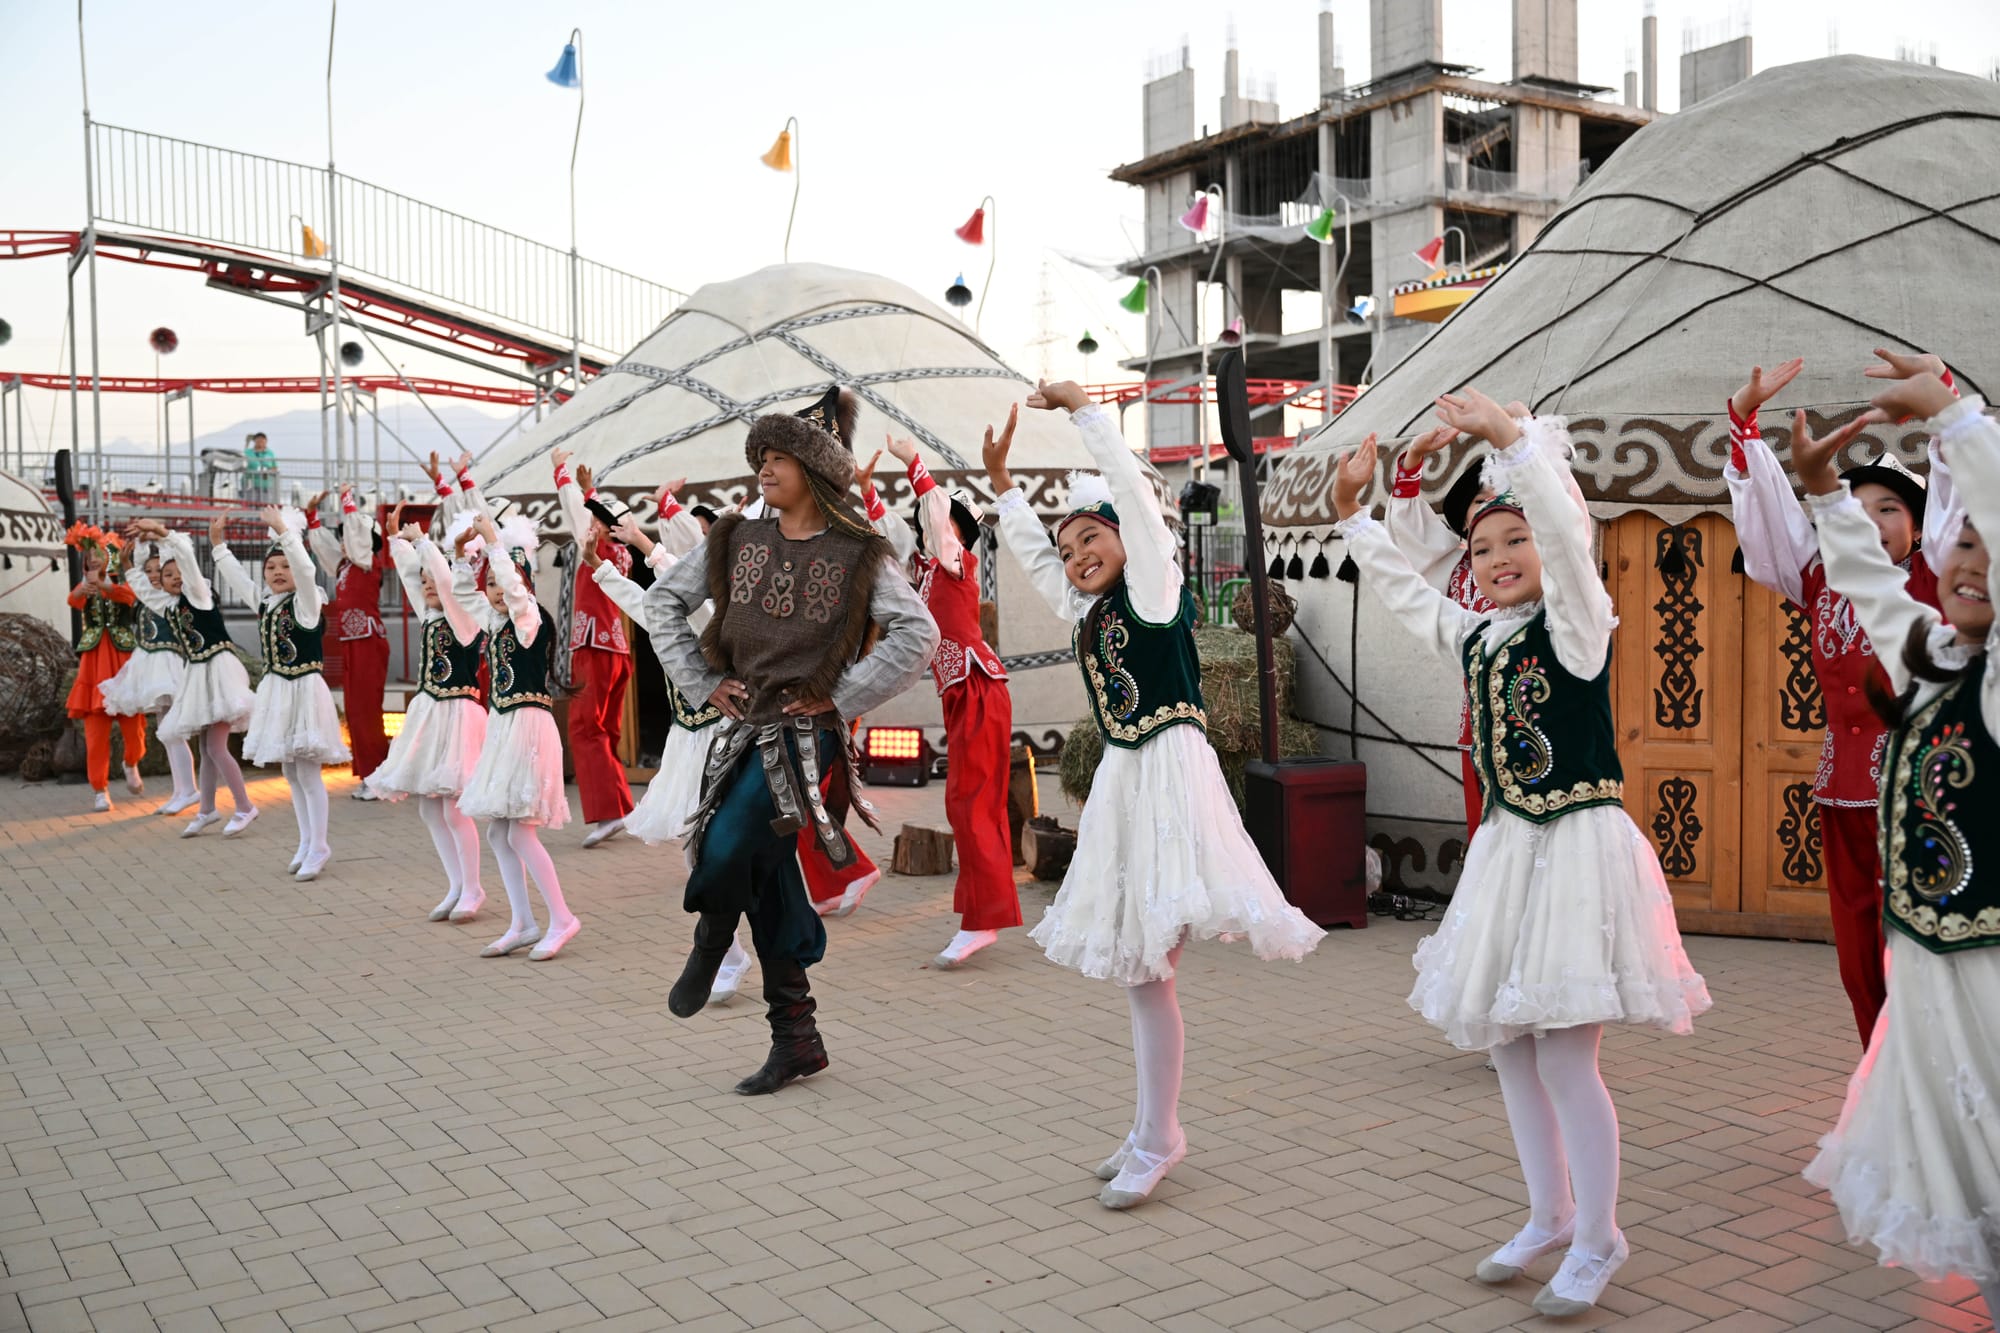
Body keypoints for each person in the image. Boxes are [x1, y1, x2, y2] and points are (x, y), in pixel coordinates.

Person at [1332, 390, 1712, 1315]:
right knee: (1509, 1047)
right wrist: (1352, 518)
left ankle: (1600, 1234)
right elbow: (1406, 596)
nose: (1499, 557)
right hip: (1509, 852)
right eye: (1482, 548)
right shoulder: (1481, 637)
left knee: (1567, 1057)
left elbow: (1572, 546)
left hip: (1577, 853)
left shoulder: (1578, 628)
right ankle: (1550, 1213)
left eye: (1517, 539)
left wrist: (1512, 442)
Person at [989, 380, 1325, 1209]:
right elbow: (1043, 568)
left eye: (1091, 538)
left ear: (1126, 537)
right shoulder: (1092, 611)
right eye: (1069, 547)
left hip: (1170, 779)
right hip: (1126, 780)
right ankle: (1151, 1127)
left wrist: (1085, 414)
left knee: (1152, 964)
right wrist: (1004, 492)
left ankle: (1160, 1133)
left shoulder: (1153, 590)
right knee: (1141, 970)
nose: (1077, 556)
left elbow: (1138, 508)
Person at [642, 386, 939, 1095]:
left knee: (725, 849)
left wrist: (841, 694)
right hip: (741, 727)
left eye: (779, 457)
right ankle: (797, 1039)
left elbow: (919, 632)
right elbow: (661, 602)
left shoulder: (860, 552)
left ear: (816, 469)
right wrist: (703, 680)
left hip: (806, 737)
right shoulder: (734, 538)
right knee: (765, 872)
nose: (765, 468)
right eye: (762, 457)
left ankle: (710, 938)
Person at [1795, 370, 2000, 1320]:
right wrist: (1822, 493)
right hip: (1931, 980)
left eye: (1990, 544)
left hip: (1992, 975)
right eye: (1962, 542)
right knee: (1970, 1191)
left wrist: (1956, 418)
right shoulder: (1931, 661)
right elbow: (1870, 584)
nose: (1970, 561)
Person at [1726, 351, 1962, 1047]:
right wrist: (1743, 422)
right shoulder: (1817, 578)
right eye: (1854, 509)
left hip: (1927, 792)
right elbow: (1771, 521)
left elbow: (1962, 495)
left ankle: (1940, 1076)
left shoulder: (1939, 575)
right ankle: (1880, 1071)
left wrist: (1943, 399)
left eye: (1889, 508)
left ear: (1919, 524)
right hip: (1844, 792)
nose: (1871, 521)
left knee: (1927, 941)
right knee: (1859, 949)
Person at [1383, 420, 1591, 841]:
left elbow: (1566, 523)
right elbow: (1407, 540)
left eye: (1502, 498)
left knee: (1550, 832)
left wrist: (1527, 435)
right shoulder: (1453, 568)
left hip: (1548, 715)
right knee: (1488, 831)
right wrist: (1413, 459)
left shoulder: (1544, 564)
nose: (1491, 509)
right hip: (1482, 720)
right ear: (1464, 522)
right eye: (1480, 501)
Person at [862, 429, 1023, 968]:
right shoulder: (927, 571)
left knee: (973, 804)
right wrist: (867, 492)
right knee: (964, 803)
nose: (930, 527)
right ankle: (982, 915)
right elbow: (890, 539)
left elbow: (935, 521)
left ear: (957, 532)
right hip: (962, 694)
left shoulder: (957, 563)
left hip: (978, 688)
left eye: (942, 522)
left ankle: (983, 921)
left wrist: (915, 463)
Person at [446, 512, 582, 961]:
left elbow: (515, 591)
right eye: (490, 585)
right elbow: (463, 594)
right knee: (498, 835)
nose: (497, 591)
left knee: (521, 834)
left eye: (505, 584)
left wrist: (494, 544)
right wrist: (460, 555)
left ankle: (562, 918)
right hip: (504, 726)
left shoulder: (529, 620)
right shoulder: (496, 622)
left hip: (529, 728)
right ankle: (523, 923)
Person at [212, 507, 350, 881]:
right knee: (290, 771)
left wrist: (285, 533)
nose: (277, 572)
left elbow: (306, 571)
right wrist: (219, 548)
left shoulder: (306, 604)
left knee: (307, 771)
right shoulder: (266, 603)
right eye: (271, 567)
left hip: (303, 690)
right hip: (276, 690)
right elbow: (239, 580)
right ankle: (306, 841)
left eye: (284, 566)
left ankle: (319, 845)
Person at [368, 500, 490, 924]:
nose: (427, 586)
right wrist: (398, 543)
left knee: (453, 808)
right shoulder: (430, 616)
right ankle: (455, 884)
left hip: (458, 715)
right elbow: (410, 575)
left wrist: (423, 543)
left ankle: (473, 887)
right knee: (428, 808)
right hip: (429, 713)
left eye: (433, 580)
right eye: (424, 582)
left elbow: (444, 579)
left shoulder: (464, 619)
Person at [126, 517, 257, 838]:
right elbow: (143, 590)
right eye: (168, 575)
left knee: (216, 749)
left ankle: (244, 806)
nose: (175, 578)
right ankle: (207, 810)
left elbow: (185, 555)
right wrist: (132, 562)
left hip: (220, 674)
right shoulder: (169, 606)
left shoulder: (199, 595)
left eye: (179, 573)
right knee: (207, 749)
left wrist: (163, 534)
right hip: (198, 675)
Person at [551, 449, 637, 847]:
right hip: (615, 648)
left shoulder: (596, 547)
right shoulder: (621, 552)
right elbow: (591, 514)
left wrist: (561, 473)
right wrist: (590, 490)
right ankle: (620, 806)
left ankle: (607, 811)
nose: (592, 521)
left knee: (585, 729)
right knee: (604, 731)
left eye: (598, 518)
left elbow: (576, 514)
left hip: (593, 645)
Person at [306, 485, 392, 794]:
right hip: (352, 642)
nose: (345, 542)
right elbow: (325, 548)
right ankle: (369, 775)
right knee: (356, 711)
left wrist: (347, 501)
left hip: (368, 642)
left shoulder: (369, 563)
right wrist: (312, 516)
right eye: (343, 537)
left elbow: (358, 540)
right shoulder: (345, 567)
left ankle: (378, 776)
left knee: (367, 711)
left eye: (351, 536)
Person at [108, 537, 201, 814]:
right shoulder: (147, 599)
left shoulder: (170, 599)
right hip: (151, 666)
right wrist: (134, 556)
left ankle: (189, 790)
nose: (153, 575)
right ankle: (180, 790)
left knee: (174, 732)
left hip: (169, 668)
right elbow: (137, 585)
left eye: (159, 571)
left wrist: (136, 560)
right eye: (148, 570)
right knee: (166, 732)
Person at [63, 523, 147, 812]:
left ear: (109, 556)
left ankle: (131, 762)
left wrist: (104, 586)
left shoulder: (119, 582)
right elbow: (73, 600)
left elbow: (129, 597)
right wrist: (83, 588)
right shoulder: (85, 585)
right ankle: (99, 789)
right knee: (95, 734)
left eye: (99, 554)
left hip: (122, 661)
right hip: (94, 664)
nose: (94, 560)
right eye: (89, 556)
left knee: (134, 729)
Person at [243, 433, 278, 503]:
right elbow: (242, 465)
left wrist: (267, 471)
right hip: (251, 484)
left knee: (264, 505)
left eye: (262, 440)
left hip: (266, 485)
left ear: (266, 441)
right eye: (258, 440)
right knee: (250, 504)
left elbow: (275, 467)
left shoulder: (270, 453)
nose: (260, 442)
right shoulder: (247, 452)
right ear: (254, 441)